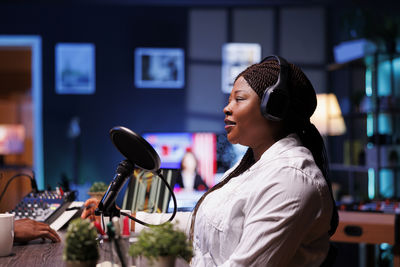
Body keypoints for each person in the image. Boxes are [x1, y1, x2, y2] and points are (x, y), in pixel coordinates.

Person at [82, 55, 338, 266]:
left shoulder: (290, 181)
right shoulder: (251, 165)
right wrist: (119, 218)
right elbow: (200, 227)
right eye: (229, 100)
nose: (226, 108)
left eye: (239, 98)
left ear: (274, 109)